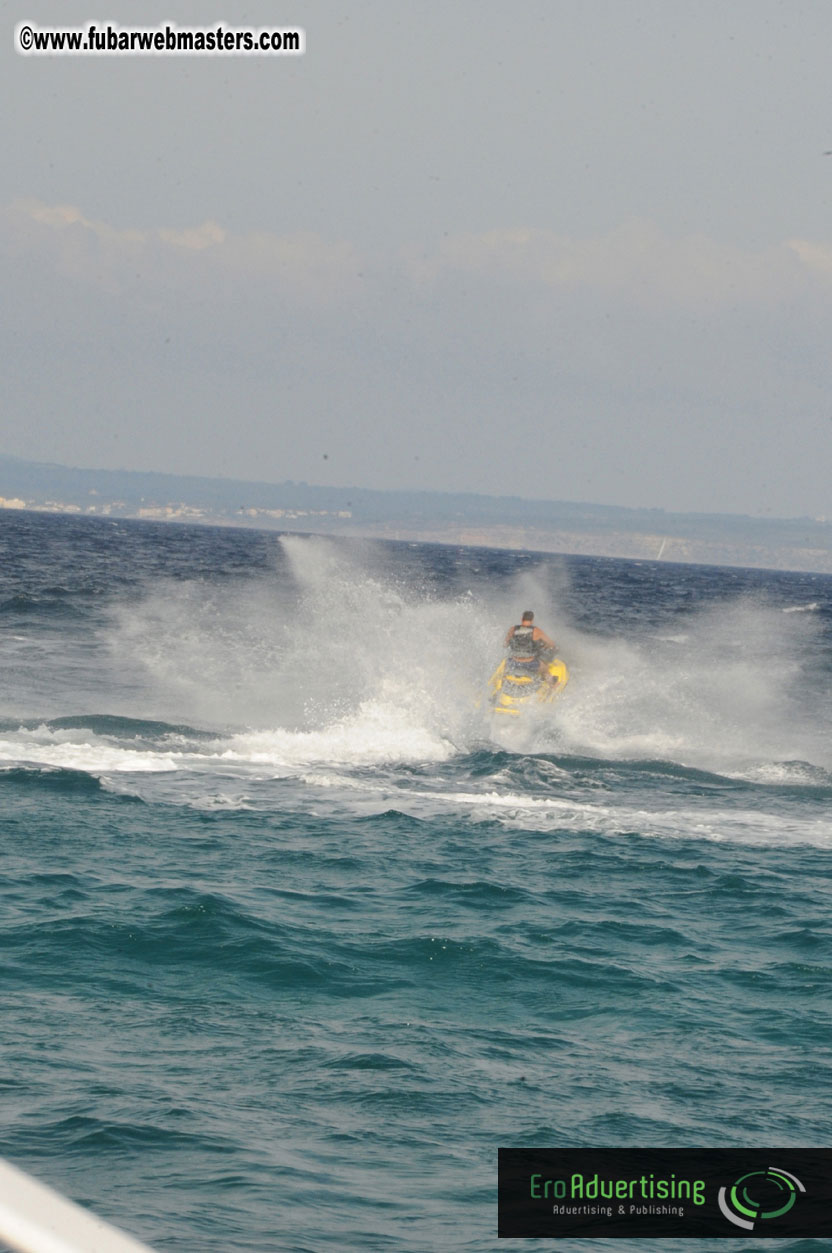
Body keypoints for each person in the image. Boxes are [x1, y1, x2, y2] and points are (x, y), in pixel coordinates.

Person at [504, 610, 558, 684]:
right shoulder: (536, 631)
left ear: (522, 619)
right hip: (530, 664)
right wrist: (546, 645)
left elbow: (505, 644)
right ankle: (552, 688)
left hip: (514, 662)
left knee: (505, 666)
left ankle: (501, 685)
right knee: (546, 670)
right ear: (532, 620)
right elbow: (551, 644)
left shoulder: (512, 629)